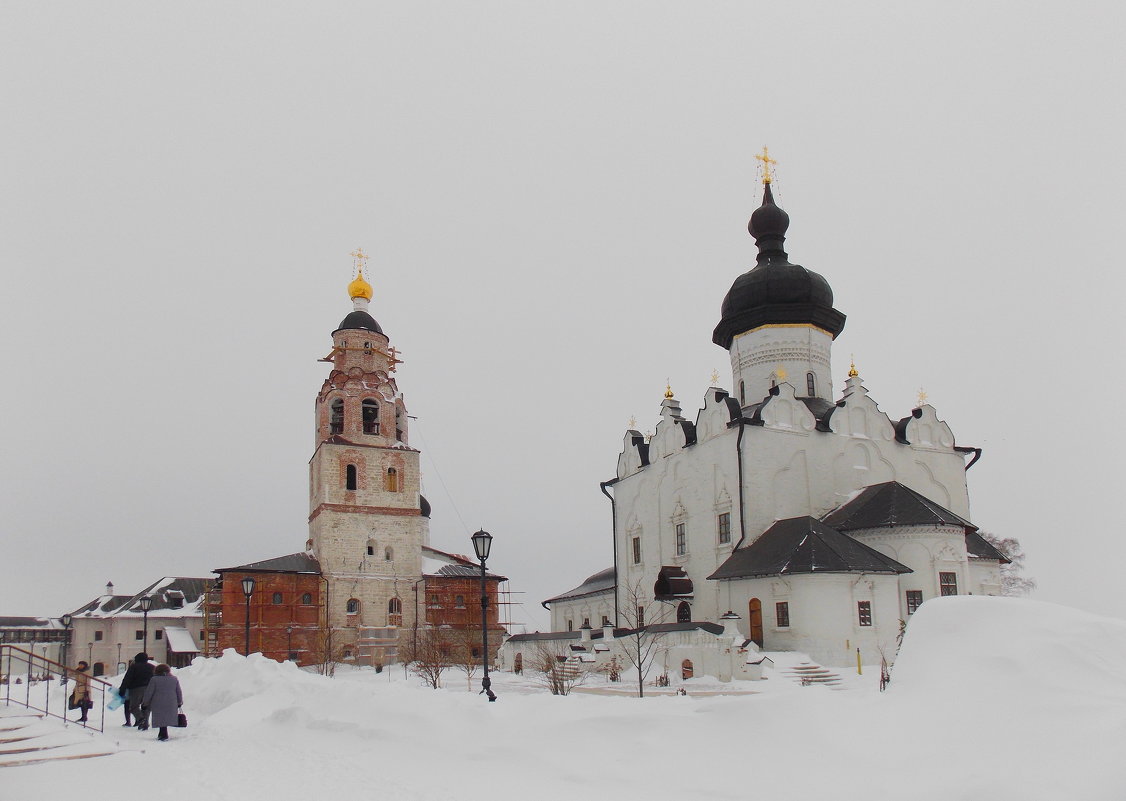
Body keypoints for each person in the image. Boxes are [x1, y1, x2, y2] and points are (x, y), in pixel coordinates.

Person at [141, 663, 183, 742]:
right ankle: (164, 732)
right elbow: (178, 691)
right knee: (167, 716)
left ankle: (162, 733)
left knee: (161, 717)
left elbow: (149, 692)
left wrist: (145, 702)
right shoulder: (174, 679)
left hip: (158, 702)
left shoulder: (154, 679)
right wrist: (179, 701)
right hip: (171, 702)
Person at [119, 652, 154, 730]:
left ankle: (140, 719)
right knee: (146, 707)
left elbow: (127, 679)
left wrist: (122, 689)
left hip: (136, 689)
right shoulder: (152, 667)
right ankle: (145, 724)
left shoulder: (134, 667)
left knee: (134, 707)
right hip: (149, 689)